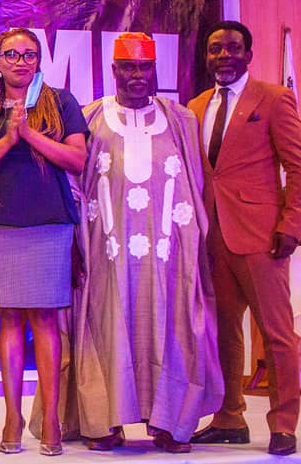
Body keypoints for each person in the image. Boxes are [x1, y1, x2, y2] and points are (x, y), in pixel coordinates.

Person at [73, 32, 223, 452]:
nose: (137, 75)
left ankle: (170, 424)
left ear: (155, 70)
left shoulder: (180, 119)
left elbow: (198, 182)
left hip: (170, 251)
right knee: (105, 324)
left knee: (175, 326)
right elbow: (76, 185)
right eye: (128, 67)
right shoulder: (90, 118)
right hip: (107, 251)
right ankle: (105, 422)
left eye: (144, 67)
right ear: (114, 70)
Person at [0, 27, 87, 456]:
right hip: (0, 225)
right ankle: (11, 416)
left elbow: (77, 159)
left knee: (45, 320)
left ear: (38, 61)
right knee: (10, 318)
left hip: (49, 223)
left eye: (29, 54)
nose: (20, 61)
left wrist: (30, 134)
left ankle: (50, 421)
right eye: (10, 54)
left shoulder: (61, 102)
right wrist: (9, 138)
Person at [187, 20, 301, 456]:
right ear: (207, 56)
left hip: (263, 237)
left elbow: (300, 167)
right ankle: (229, 418)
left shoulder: (273, 99)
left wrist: (291, 226)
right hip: (212, 237)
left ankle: (284, 425)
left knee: (276, 334)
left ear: (248, 55)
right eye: (215, 49)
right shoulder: (196, 106)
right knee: (222, 333)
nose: (224, 55)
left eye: (232, 48)